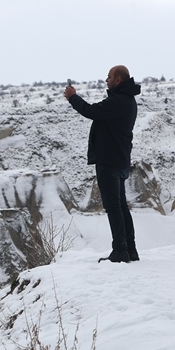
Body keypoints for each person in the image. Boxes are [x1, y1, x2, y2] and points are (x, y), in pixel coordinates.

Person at [64, 66, 142, 263]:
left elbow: (91, 111)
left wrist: (73, 97)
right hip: (120, 159)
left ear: (117, 79)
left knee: (114, 207)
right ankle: (130, 250)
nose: (105, 80)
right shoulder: (128, 100)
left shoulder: (118, 101)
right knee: (121, 207)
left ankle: (120, 251)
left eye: (108, 77)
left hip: (109, 161)